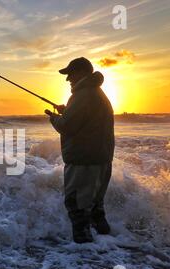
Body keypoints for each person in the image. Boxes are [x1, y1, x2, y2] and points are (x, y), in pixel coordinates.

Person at [45, 57, 115, 243]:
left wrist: (54, 118)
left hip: (84, 161)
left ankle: (83, 250)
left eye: (70, 74)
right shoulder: (97, 94)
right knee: (95, 208)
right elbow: (87, 120)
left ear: (82, 73)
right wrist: (67, 110)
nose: (68, 79)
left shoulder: (82, 95)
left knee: (76, 205)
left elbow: (67, 126)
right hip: (102, 159)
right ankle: (108, 246)